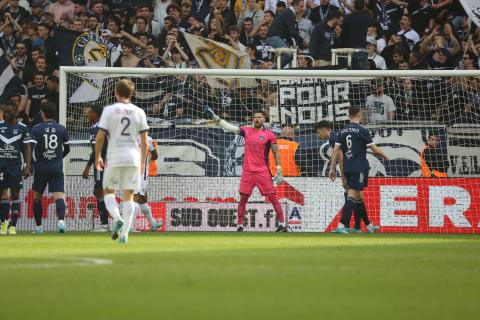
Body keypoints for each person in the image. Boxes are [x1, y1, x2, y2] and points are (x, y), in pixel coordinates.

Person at [205, 106, 288, 232]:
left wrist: (279, 170)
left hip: (262, 171)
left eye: (259, 117)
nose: (257, 119)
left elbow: (276, 153)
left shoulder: (270, 135)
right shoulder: (246, 131)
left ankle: (282, 224)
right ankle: (239, 226)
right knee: (243, 198)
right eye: (255, 117)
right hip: (248, 172)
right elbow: (229, 128)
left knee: (273, 197)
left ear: (264, 119)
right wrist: (216, 118)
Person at [95, 79, 149, 244]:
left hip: (115, 156)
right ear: (131, 93)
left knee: (108, 192)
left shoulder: (109, 110)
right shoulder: (139, 112)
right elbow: (145, 142)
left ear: (116, 93)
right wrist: (142, 162)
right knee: (129, 196)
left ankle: (117, 217)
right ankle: (124, 235)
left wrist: (98, 156)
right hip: (133, 157)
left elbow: (100, 136)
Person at [329, 106, 388, 234]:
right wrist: (385, 156)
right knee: (352, 195)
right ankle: (341, 224)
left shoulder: (342, 131)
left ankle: (368, 225)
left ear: (348, 115)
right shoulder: (362, 130)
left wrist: (332, 169)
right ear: (360, 115)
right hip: (359, 167)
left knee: (359, 197)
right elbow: (375, 150)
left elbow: (335, 151)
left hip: (347, 167)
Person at [30, 102, 70, 234]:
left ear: (42, 113)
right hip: (56, 168)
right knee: (59, 197)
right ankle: (61, 222)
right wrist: (58, 157)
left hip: (41, 168)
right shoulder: (61, 128)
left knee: (37, 198)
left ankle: (39, 228)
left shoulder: (36, 129)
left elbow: (32, 149)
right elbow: (67, 148)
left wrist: (33, 164)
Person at [0, 101, 32, 235]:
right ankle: (3, 223)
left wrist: (27, 165)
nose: (7, 114)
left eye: (9, 112)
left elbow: (27, 148)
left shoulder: (23, 128)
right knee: (2, 194)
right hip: (1, 165)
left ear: (16, 112)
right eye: (5, 112)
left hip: (15, 166)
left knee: (15, 194)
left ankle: (13, 225)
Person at [82, 105, 110, 231]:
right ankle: (106, 223)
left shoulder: (98, 128)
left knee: (99, 192)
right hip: (105, 163)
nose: (87, 114)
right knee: (100, 192)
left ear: (95, 113)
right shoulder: (96, 127)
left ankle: (104, 224)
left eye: (90, 112)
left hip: (101, 164)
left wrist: (87, 166)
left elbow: (97, 151)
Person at [133, 136, 162, 232]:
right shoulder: (147, 139)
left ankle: (153, 224)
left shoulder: (126, 137)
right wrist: (150, 155)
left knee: (143, 199)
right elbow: (155, 156)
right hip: (141, 174)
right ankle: (129, 226)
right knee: (136, 198)